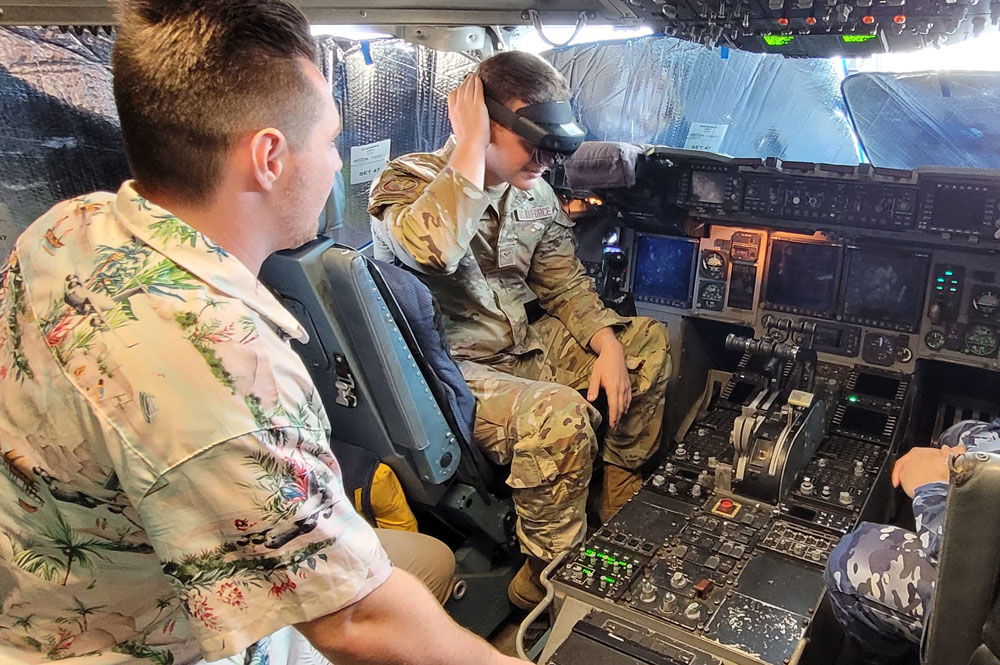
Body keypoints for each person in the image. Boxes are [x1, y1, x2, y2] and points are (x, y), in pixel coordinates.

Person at [0, 2, 526, 664]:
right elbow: (359, 624)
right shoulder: (226, 367)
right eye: (330, 141)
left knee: (416, 558)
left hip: (57, 585)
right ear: (269, 156)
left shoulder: (67, 225)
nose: (337, 164)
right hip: (151, 641)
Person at [368, 51, 671, 610]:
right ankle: (545, 573)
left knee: (645, 342)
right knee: (560, 414)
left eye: (554, 144)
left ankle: (618, 492)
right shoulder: (407, 181)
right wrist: (468, 150)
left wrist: (606, 344)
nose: (547, 160)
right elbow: (430, 252)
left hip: (524, 348)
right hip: (457, 373)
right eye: (534, 141)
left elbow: (565, 285)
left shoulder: (533, 193)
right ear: (479, 119)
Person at [825, 418, 1000, 664]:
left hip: (988, 599)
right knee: (960, 434)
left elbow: (967, 557)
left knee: (848, 561)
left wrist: (930, 487)